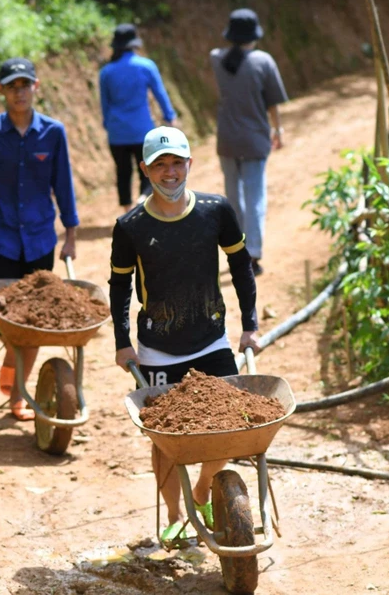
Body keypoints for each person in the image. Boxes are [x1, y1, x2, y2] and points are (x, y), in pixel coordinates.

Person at [109, 126, 260, 544]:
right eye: (161, 165)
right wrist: (123, 341)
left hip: (211, 339)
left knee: (231, 428)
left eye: (177, 163)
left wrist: (249, 326)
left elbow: (241, 265)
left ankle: (200, 492)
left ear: (190, 164)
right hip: (158, 349)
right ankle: (176, 515)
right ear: (145, 169)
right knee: (166, 443)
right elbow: (120, 285)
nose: (170, 173)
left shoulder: (216, 211)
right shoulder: (131, 227)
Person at [0, 57, 79, 421]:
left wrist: (71, 235)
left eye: (25, 84)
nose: (19, 92)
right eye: (12, 86)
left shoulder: (53, 132)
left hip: (41, 240)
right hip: (2, 241)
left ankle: (17, 393)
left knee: (32, 321)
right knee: (7, 322)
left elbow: (64, 185)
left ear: (36, 87)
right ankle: (14, 374)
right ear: (1, 90)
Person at [210, 8, 288, 277]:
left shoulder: (216, 58)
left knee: (233, 199)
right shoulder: (263, 61)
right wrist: (278, 130)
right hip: (255, 140)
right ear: (254, 34)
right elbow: (273, 103)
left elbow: (226, 59)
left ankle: (236, 250)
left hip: (228, 140)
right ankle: (252, 255)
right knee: (255, 199)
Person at [99, 23, 177, 213]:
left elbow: (104, 105)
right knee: (148, 171)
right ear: (135, 43)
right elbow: (160, 93)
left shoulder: (106, 72)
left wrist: (109, 126)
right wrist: (170, 117)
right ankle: (143, 200)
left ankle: (127, 210)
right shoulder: (146, 66)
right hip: (142, 131)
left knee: (123, 172)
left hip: (117, 133)